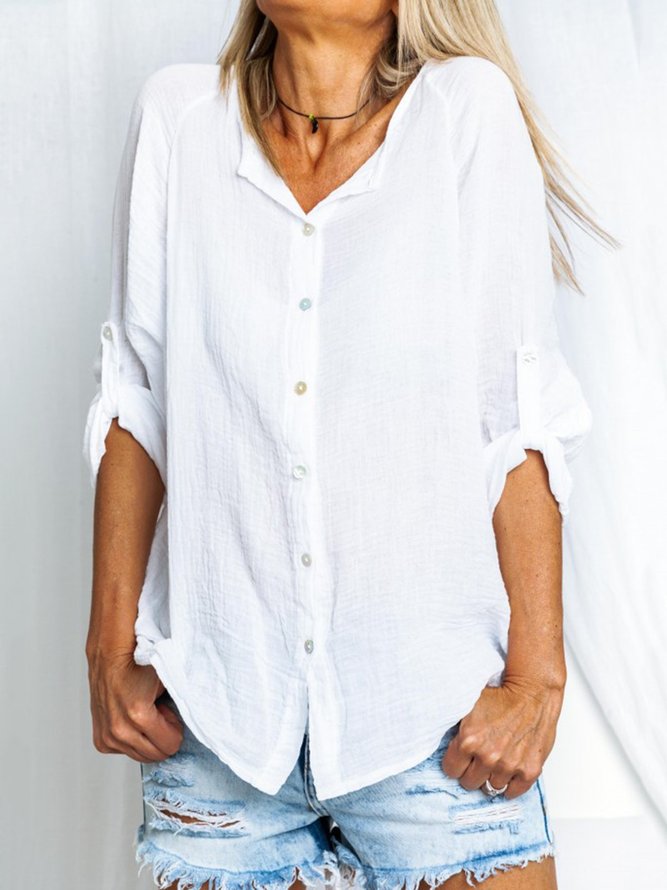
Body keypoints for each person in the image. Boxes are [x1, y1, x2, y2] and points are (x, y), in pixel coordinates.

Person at [82, 1, 615, 888]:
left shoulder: (463, 113)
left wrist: (535, 683)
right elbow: (137, 403)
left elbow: (514, 417)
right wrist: (108, 651)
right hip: (220, 732)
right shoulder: (178, 119)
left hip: (434, 728)